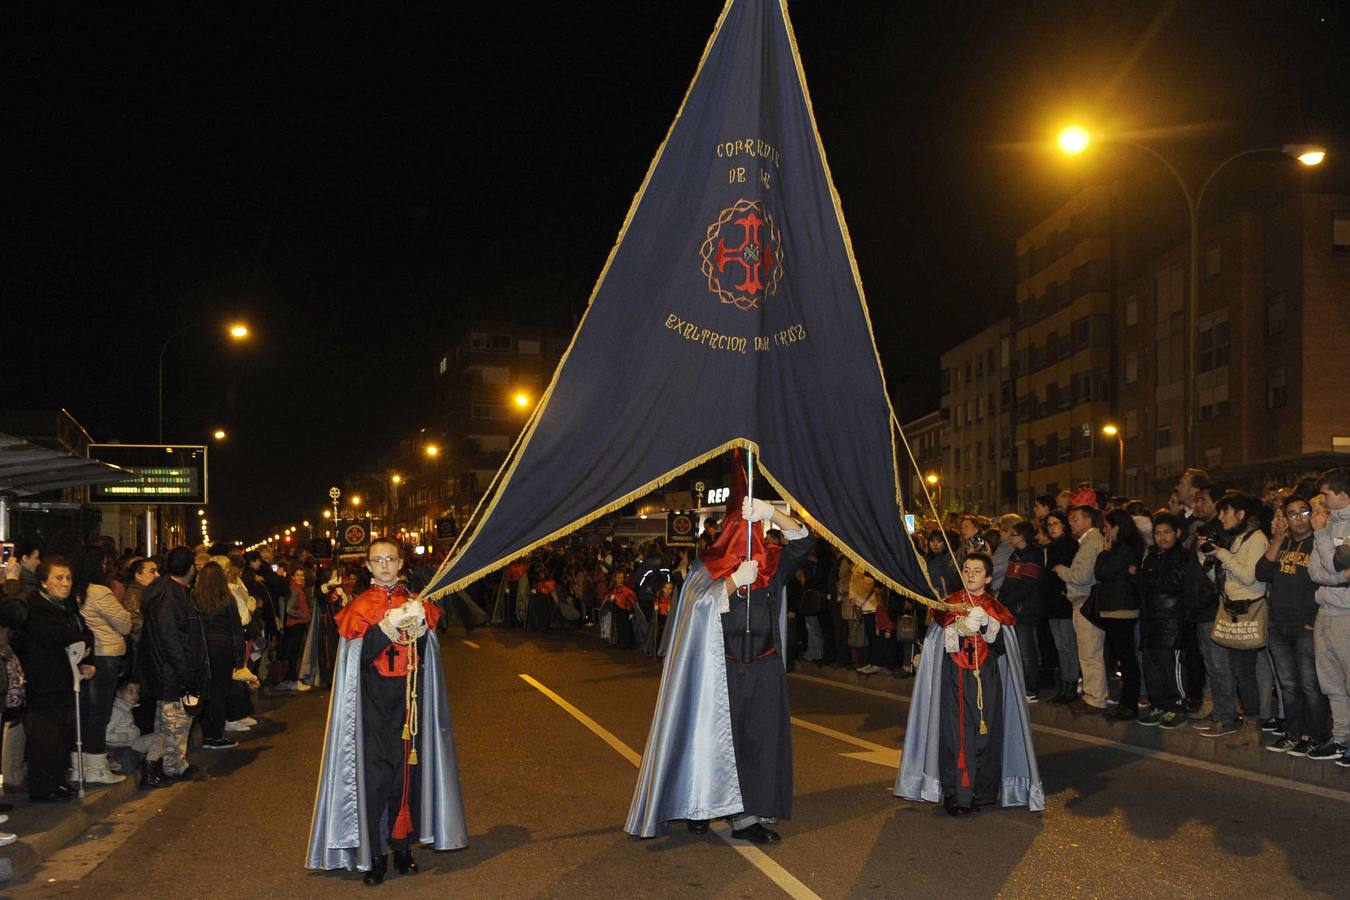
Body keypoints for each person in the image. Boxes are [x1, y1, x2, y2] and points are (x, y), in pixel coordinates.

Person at [626, 474, 814, 844]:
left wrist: (772, 513)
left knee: (757, 742)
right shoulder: (705, 569)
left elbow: (804, 542)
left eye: (755, 528)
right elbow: (696, 609)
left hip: (763, 664)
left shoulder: (773, 565)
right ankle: (700, 805)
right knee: (712, 738)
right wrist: (731, 582)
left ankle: (747, 817)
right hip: (720, 666)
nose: (750, 537)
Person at [307, 538, 467, 883]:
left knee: (405, 780)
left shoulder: (417, 603)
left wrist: (420, 631)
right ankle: (376, 854)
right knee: (376, 782)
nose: (384, 566)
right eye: (377, 560)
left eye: (390, 559)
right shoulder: (360, 607)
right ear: (367, 566)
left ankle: (403, 849)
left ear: (400, 564)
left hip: (409, 707)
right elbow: (355, 661)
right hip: (372, 709)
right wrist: (383, 630)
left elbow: (428, 659)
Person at [895, 553, 1042, 816]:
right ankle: (957, 794)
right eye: (966, 570)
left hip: (987, 680)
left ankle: (982, 792)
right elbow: (939, 645)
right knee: (957, 735)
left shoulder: (996, 608)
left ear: (987, 577)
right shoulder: (948, 605)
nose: (970, 575)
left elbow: (1003, 649)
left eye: (977, 570)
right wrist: (960, 628)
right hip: (956, 679)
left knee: (986, 735)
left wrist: (987, 626)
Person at [13, 557, 94, 802]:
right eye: (59, 578)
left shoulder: (67, 606)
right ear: (44, 582)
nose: (65, 583)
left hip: (65, 680)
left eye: (68, 578)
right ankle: (42, 788)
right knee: (44, 738)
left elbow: (86, 632)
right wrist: (77, 636)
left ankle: (58, 782)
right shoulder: (35, 607)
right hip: (43, 682)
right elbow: (53, 636)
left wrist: (83, 649)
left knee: (62, 736)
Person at [1256, 494, 1328, 754]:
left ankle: (1317, 735)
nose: (1298, 519)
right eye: (1292, 514)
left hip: (1305, 626)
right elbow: (1262, 573)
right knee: (1288, 684)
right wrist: (1276, 539)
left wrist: (1313, 620)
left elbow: (1328, 582)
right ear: (1285, 519)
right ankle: (1293, 732)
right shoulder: (1282, 543)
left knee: (1310, 684)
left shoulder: (1319, 543)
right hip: (1279, 625)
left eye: (1303, 513)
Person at [1194, 492, 1269, 739]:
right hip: (1232, 610)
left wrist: (1223, 555)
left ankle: (1251, 724)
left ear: (1241, 514)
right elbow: (1224, 582)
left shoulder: (1256, 539)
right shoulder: (1239, 539)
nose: (1222, 517)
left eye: (1225, 512)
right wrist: (1206, 557)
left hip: (1248, 613)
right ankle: (1245, 721)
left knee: (1244, 673)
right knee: (1238, 672)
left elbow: (1250, 577)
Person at [138, 547, 208, 780]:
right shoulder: (170, 596)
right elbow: (172, 639)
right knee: (175, 722)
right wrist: (187, 673)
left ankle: (165, 763)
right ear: (190, 568)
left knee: (167, 721)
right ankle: (174, 766)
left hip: (165, 669)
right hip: (171, 671)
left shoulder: (166, 591)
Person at [73, 545, 131, 784]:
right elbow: (125, 623)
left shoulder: (76, 590)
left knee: (84, 712)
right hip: (104, 655)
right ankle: (96, 765)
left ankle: (79, 766)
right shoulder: (98, 591)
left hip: (82, 655)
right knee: (99, 712)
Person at [1306, 468, 1350, 765]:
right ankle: (1341, 737)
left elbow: (1333, 567)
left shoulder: (1331, 526)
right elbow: (1315, 571)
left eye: (1326, 494)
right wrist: (1338, 576)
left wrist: (1321, 534)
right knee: (1330, 683)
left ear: (1343, 495)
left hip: (1346, 615)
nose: (1321, 500)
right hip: (1324, 610)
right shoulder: (1327, 523)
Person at [1136, 514, 1189, 729]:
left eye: (1167, 532)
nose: (1162, 537)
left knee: (1170, 666)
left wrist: (1142, 576)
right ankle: (1158, 704)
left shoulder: (1182, 556)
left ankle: (1177, 706)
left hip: (1171, 621)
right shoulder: (1152, 556)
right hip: (1150, 619)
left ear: (1177, 533)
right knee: (1152, 666)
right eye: (1158, 533)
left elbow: (1172, 582)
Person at [1054, 504, 1106, 714]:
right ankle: (1092, 694)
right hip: (1084, 600)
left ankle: (1095, 697)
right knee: (1088, 651)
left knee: (1089, 650)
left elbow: (1082, 576)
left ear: (1088, 520)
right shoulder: (1090, 542)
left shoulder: (1091, 542)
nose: (1071, 523)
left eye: (1076, 519)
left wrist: (1062, 571)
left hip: (1086, 601)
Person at [1094, 510, 1144, 722]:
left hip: (1121, 609)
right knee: (1122, 657)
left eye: (1107, 526)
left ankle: (1129, 704)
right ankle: (1125, 703)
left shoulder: (1125, 548)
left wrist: (1104, 552)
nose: (1104, 530)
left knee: (1127, 658)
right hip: (1114, 608)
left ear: (1117, 527)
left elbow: (1103, 572)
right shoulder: (1123, 548)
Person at [194, 562, 245, 750]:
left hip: (202, 650)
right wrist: (239, 657)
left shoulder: (194, 598)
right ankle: (216, 735)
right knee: (220, 694)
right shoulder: (226, 599)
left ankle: (207, 733)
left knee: (206, 693)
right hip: (222, 650)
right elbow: (235, 630)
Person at [998, 521, 1043, 703]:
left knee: (1027, 651)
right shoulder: (1015, 555)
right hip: (1012, 610)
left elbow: (1027, 586)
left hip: (1025, 611)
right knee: (1014, 650)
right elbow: (1009, 581)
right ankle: (1018, 685)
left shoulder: (1033, 556)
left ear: (1022, 537)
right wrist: (1000, 600)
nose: (1010, 537)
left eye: (1014, 534)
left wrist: (1007, 601)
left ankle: (1031, 688)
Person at [105, 681, 165, 787]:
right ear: (119, 693)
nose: (135, 695)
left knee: (158, 738)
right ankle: (148, 777)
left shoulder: (125, 708)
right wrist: (125, 736)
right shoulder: (117, 711)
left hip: (128, 743)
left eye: (137, 692)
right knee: (158, 738)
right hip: (122, 746)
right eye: (131, 691)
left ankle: (150, 774)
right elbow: (105, 735)